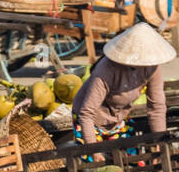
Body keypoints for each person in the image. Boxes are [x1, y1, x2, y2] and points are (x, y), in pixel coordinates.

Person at [71, 23, 173, 158]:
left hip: (118, 120)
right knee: (97, 171)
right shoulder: (106, 70)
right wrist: (93, 150)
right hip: (90, 121)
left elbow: (157, 107)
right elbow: (86, 114)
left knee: (132, 163)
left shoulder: (152, 67)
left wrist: (160, 144)